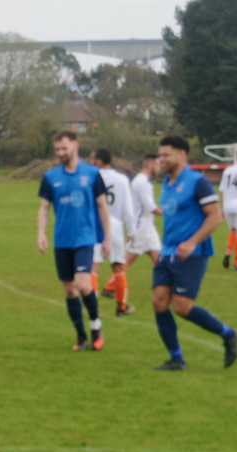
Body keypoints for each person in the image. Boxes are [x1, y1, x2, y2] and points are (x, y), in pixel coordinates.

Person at [152, 135, 237, 371]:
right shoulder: (166, 184)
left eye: (165, 155)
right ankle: (176, 359)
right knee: (159, 302)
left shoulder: (197, 182)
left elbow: (216, 216)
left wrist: (192, 242)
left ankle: (229, 334)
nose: (161, 159)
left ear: (182, 154)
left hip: (192, 253)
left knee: (181, 307)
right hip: (167, 251)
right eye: (159, 155)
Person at [37, 131, 111, 351]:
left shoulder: (92, 173)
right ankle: (81, 336)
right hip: (62, 241)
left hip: (85, 239)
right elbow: (44, 207)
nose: (60, 153)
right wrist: (41, 232)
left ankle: (96, 327)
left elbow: (102, 206)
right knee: (69, 291)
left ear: (75, 146)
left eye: (64, 148)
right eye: (57, 149)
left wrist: (108, 238)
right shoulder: (51, 177)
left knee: (82, 284)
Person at [101, 154, 162, 295]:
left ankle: (162, 286)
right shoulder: (141, 182)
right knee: (126, 260)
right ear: (150, 164)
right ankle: (109, 287)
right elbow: (150, 207)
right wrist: (170, 213)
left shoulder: (144, 181)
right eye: (157, 165)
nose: (159, 168)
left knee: (159, 258)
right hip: (140, 227)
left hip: (148, 226)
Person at [89, 148, 136, 317]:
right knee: (118, 267)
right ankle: (121, 307)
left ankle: (94, 308)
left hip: (95, 227)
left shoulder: (90, 177)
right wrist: (131, 231)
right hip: (115, 228)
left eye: (92, 158)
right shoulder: (122, 179)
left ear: (99, 161)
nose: (90, 162)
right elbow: (128, 208)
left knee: (93, 269)